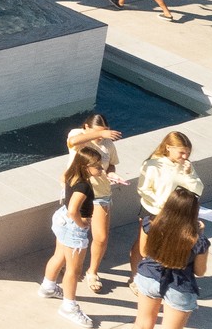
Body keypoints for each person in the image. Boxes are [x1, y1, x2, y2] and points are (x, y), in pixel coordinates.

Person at [40, 146, 105, 328]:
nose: (101, 169)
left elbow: (64, 185)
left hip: (61, 221)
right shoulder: (83, 186)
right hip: (73, 228)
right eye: (97, 166)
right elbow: (73, 209)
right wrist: (81, 223)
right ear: (86, 167)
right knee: (74, 270)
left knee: (59, 255)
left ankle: (48, 286)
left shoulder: (71, 175)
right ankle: (69, 306)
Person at [131, 186, 211, 329]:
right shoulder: (197, 240)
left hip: (149, 275)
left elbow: (143, 252)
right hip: (179, 285)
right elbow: (200, 271)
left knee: (142, 324)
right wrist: (200, 233)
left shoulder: (150, 224)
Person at [63, 112, 125, 294]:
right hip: (78, 192)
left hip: (100, 193)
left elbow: (111, 164)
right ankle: (68, 267)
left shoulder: (108, 145)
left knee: (101, 236)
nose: (103, 135)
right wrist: (99, 134)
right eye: (98, 131)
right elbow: (73, 142)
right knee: (70, 234)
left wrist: (111, 173)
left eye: (105, 131)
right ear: (86, 128)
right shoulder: (78, 136)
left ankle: (93, 271)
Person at [130, 132, 204, 278]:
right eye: (181, 152)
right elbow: (144, 189)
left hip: (176, 212)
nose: (185, 157)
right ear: (168, 147)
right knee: (143, 245)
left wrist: (188, 174)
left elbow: (198, 190)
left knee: (166, 244)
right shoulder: (152, 165)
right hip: (154, 211)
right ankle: (134, 276)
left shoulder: (186, 166)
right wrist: (161, 204)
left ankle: (161, 275)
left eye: (187, 153)